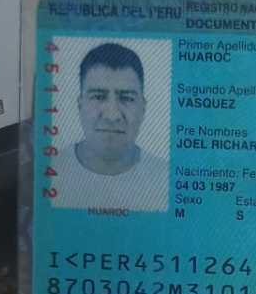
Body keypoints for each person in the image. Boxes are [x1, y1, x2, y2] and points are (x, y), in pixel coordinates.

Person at [51, 41, 168, 211]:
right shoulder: (48, 173)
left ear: (143, 108)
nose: (112, 115)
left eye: (126, 98)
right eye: (98, 97)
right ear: (80, 105)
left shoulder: (167, 180)